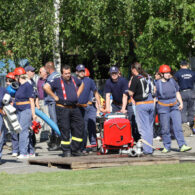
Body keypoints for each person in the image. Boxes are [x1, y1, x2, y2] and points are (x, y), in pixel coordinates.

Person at [43, 64, 85, 157]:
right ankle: (66, 151)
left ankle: (75, 149)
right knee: (65, 129)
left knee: (79, 126)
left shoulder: (74, 79)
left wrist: (77, 94)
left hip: (74, 107)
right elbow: (45, 87)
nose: (68, 75)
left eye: (69, 73)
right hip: (62, 108)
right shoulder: (57, 81)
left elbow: (82, 84)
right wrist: (54, 97)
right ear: (62, 74)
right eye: (66, 73)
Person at [156, 64, 192, 153]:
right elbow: (154, 97)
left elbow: (177, 92)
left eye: (169, 72)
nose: (168, 74)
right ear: (161, 74)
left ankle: (182, 145)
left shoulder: (173, 81)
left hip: (174, 106)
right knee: (165, 128)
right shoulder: (157, 84)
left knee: (178, 126)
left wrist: (181, 103)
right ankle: (167, 146)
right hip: (163, 108)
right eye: (166, 73)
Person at [104, 66, 139, 141]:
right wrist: (107, 108)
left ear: (118, 73)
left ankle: (135, 138)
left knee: (131, 121)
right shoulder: (108, 82)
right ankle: (117, 139)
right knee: (115, 122)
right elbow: (107, 95)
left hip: (127, 104)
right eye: (112, 73)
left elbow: (125, 95)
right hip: (115, 104)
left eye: (115, 73)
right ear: (110, 74)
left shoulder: (123, 81)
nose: (114, 75)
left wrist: (123, 108)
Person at [128, 62, 155, 156]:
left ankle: (147, 150)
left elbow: (131, 93)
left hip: (142, 104)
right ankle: (150, 147)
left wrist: (127, 90)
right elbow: (154, 90)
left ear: (134, 70)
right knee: (149, 127)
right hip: (151, 104)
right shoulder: (148, 76)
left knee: (143, 128)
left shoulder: (136, 78)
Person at [76, 65, 101, 152]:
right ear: (76, 72)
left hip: (89, 106)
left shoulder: (89, 81)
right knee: (82, 128)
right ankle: (82, 147)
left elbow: (96, 92)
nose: (82, 72)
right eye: (80, 71)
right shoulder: (73, 81)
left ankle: (94, 144)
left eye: (83, 71)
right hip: (78, 107)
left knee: (91, 126)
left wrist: (99, 106)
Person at [13, 67, 36, 159]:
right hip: (18, 110)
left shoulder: (28, 85)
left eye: (15, 76)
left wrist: (33, 114)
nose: (14, 78)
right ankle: (31, 151)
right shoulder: (19, 86)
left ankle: (23, 152)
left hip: (26, 110)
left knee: (23, 131)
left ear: (19, 76)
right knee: (22, 131)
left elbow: (31, 100)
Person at [44, 61, 60, 150]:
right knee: (54, 121)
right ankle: (54, 140)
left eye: (46, 69)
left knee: (54, 122)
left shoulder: (53, 76)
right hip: (53, 102)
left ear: (48, 68)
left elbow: (48, 87)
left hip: (53, 102)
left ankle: (57, 142)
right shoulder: (55, 75)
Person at [174, 60, 195, 131]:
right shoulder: (192, 73)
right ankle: (190, 124)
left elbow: (174, 83)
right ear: (187, 65)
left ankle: (185, 127)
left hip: (182, 93)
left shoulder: (178, 73)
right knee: (191, 110)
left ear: (180, 65)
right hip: (191, 92)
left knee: (182, 110)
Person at [37, 67, 50, 141]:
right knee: (38, 120)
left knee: (48, 119)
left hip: (46, 101)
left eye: (40, 72)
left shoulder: (48, 80)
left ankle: (51, 136)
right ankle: (37, 137)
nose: (39, 73)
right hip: (39, 101)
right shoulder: (39, 80)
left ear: (45, 72)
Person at [0, 86, 8, 164]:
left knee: (0, 137)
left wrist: (6, 108)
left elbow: (8, 100)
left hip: (0, 114)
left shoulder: (3, 89)